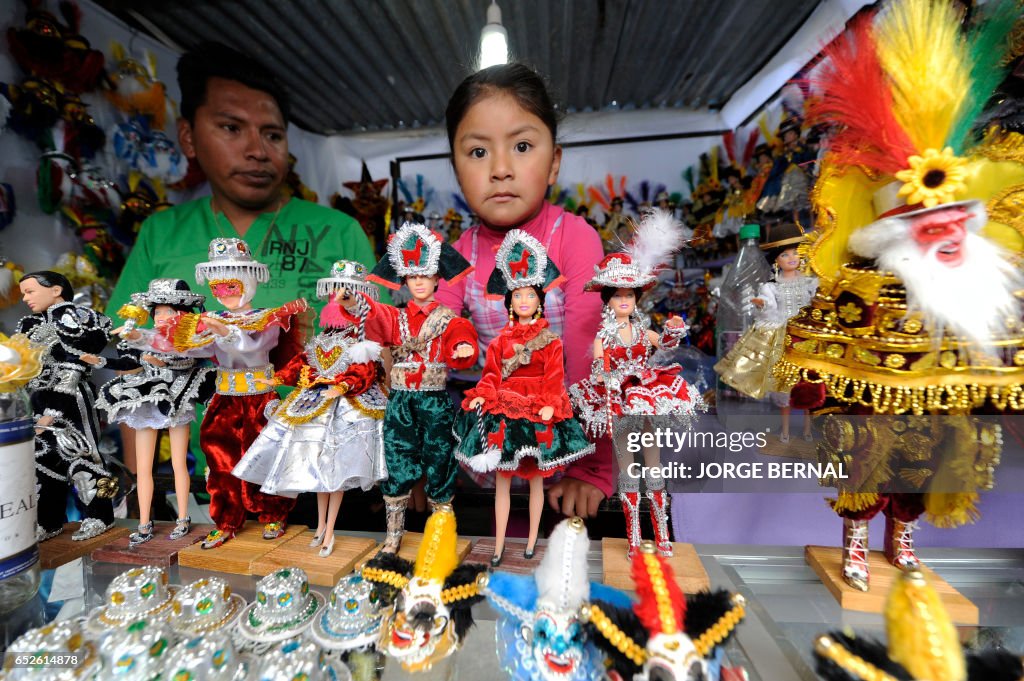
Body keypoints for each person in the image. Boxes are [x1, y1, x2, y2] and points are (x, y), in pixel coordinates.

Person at [435, 63, 613, 518]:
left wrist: (591, 468)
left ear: (554, 161)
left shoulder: (573, 238)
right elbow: (431, 355)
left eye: (522, 146)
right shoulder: (456, 256)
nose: (499, 169)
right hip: (484, 458)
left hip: (569, 446)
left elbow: (590, 354)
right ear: (455, 169)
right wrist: (422, 466)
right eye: (477, 152)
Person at [453, 230, 594, 566]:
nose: (524, 301)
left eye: (530, 295)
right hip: (504, 408)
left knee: (535, 481)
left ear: (539, 299)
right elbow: (490, 374)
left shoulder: (550, 340)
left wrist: (549, 403)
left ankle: (532, 541)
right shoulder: (501, 341)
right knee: (502, 480)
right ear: (511, 303)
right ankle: (500, 543)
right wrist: (481, 396)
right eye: (518, 296)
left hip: (535, 410)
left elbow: (554, 377)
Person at [569, 210, 703, 558]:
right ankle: (632, 537)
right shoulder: (604, 335)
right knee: (628, 468)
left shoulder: (643, 330)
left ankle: (662, 537)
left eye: (629, 295)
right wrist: (607, 375)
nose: (624, 301)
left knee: (654, 465)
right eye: (618, 296)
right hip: (618, 398)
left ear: (636, 299)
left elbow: (666, 345)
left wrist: (673, 333)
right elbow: (598, 368)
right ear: (609, 300)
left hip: (646, 395)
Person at [232, 260, 388, 558]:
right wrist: (278, 377)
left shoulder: (361, 339)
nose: (338, 299)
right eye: (335, 293)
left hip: (346, 409)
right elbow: (300, 363)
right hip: (314, 405)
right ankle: (320, 527)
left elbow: (365, 371)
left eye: (346, 294)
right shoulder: (323, 336)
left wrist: (343, 385)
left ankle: (330, 529)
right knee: (318, 470)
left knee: (335, 470)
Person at [342, 222, 479, 553]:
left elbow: (462, 335)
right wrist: (352, 301)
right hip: (401, 401)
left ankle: (441, 534)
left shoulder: (449, 318)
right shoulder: (395, 317)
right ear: (405, 280)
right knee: (397, 460)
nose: (419, 282)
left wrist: (462, 347)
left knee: (440, 462)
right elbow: (373, 315)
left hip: (434, 401)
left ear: (436, 279)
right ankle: (393, 535)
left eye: (425, 275)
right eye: (413, 276)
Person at [90, 279, 215, 546]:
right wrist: (101, 360)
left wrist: (155, 355)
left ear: (180, 313)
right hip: (148, 400)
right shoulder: (147, 336)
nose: (160, 317)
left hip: (178, 398)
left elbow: (186, 357)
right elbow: (127, 361)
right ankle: (144, 521)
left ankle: (182, 518)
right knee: (143, 468)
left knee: (179, 464)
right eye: (156, 312)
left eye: (166, 311)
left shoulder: (190, 338)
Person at [17, 271, 116, 542]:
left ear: (56, 290)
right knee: (43, 458)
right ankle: (49, 521)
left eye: (30, 291)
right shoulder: (30, 324)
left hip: (72, 398)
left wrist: (53, 413)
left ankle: (100, 516)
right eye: (24, 293)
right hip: (38, 397)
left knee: (83, 453)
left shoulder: (80, 318)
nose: (25, 298)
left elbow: (73, 366)